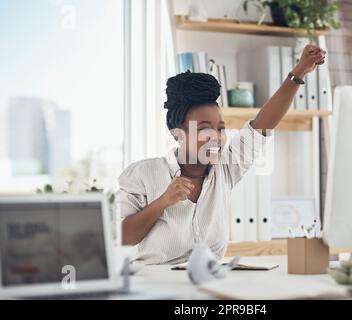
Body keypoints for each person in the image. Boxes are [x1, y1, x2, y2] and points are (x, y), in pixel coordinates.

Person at [118, 45, 326, 264]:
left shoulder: (225, 170)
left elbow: (264, 123)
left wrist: (299, 72)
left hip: (210, 285)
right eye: (204, 129)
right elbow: (124, 238)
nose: (216, 137)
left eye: (221, 128)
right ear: (179, 134)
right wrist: (163, 201)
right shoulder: (142, 174)